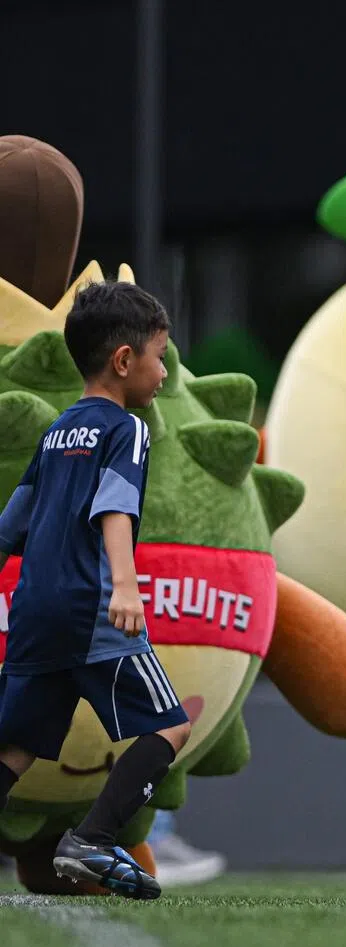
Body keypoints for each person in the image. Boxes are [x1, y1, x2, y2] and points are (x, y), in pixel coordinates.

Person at [0, 280, 191, 900]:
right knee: (170, 727)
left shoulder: (57, 431)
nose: (164, 370)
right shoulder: (125, 428)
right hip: (92, 607)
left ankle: (92, 842)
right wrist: (126, 587)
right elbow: (114, 507)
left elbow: (13, 523)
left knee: (16, 748)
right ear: (124, 361)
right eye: (160, 355)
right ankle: (94, 840)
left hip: (35, 609)